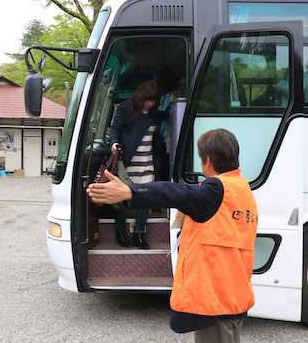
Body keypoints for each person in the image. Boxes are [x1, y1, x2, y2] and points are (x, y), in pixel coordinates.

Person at [87, 129, 258, 342]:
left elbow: (175, 192)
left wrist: (130, 192)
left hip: (215, 301)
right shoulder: (241, 189)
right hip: (233, 294)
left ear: (207, 161)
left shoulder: (216, 189)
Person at [109, 79, 168, 250]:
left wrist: (178, 103)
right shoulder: (126, 108)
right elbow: (115, 129)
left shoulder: (154, 113)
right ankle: (120, 232)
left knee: (145, 199)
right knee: (121, 198)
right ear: (141, 96)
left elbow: (169, 114)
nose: (150, 104)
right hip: (127, 162)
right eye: (148, 100)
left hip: (147, 163)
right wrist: (113, 143)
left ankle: (139, 234)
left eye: (153, 101)